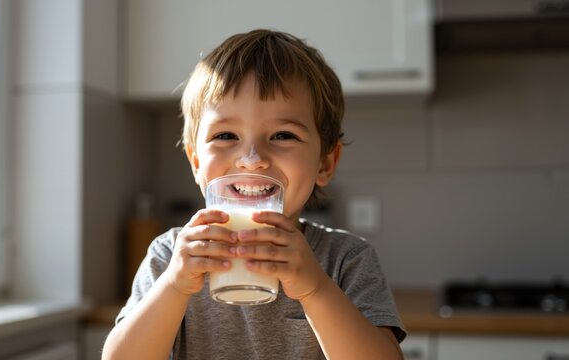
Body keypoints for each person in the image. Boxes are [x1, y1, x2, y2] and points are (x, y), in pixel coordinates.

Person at [102, 29, 406, 360]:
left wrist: (315, 289)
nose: (252, 159)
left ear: (325, 163)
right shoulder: (170, 256)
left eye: (282, 135)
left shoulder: (347, 259)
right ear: (195, 161)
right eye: (226, 134)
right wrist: (175, 286)